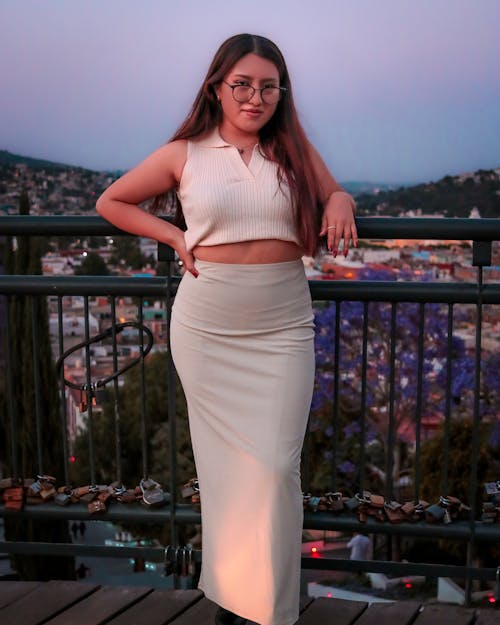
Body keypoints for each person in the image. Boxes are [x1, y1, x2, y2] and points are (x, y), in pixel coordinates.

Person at [96, 33, 357, 625]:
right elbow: (112, 202)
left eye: (268, 86)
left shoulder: (293, 148)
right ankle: (236, 604)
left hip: (282, 325)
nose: (254, 96)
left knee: (271, 468)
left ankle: (265, 604)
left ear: (280, 94)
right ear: (217, 87)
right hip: (208, 327)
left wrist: (339, 197)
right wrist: (171, 234)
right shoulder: (184, 152)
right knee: (226, 474)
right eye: (242, 84)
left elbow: (329, 191)